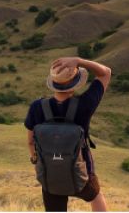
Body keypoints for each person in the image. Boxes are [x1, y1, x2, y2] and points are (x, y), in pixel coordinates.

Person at [24, 57, 113, 212]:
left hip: (50, 173)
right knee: (95, 195)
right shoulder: (85, 104)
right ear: (76, 83)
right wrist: (78, 61)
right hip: (82, 171)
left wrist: (36, 161)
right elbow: (106, 73)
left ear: (53, 84)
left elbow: (30, 142)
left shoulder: (37, 107)